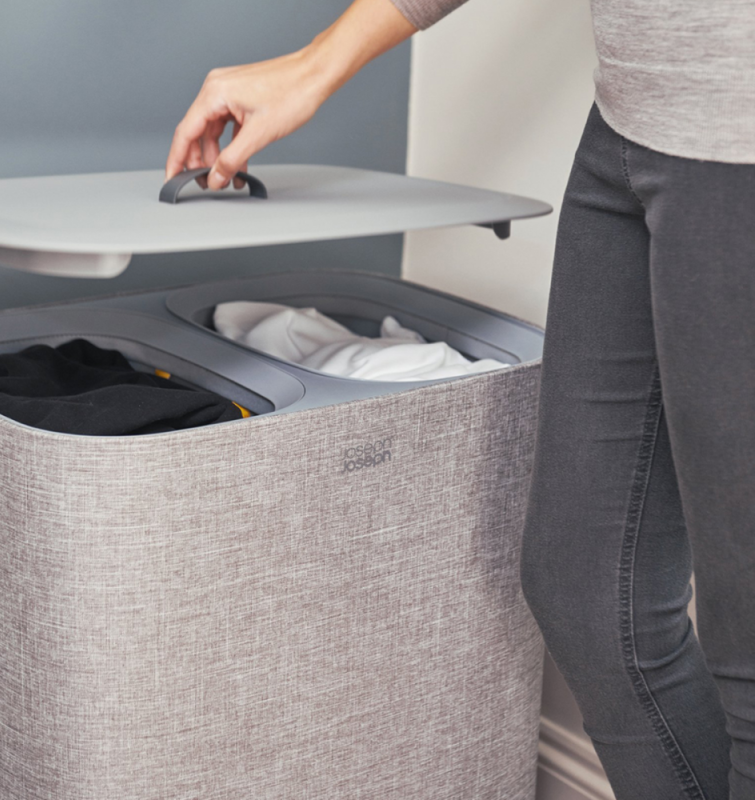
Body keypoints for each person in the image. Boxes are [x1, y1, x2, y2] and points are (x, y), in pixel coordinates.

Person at [165, 1, 755, 798]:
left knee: (746, 647)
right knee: (588, 597)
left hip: (737, 143)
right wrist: (316, 63)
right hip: (631, 119)